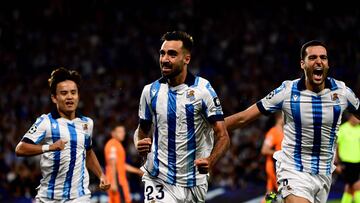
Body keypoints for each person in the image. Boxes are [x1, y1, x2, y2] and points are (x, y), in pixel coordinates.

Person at [225, 40, 360, 203]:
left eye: (323, 57)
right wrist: (210, 127)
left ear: (328, 63)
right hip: (294, 171)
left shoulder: (342, 92)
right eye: (313, 58)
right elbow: (244, 117)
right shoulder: (287, 91)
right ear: (302, 64)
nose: (319, 61)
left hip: (324, 174)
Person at [134, 31, 230, 203]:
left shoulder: (203, 90)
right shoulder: (150, 91)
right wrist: (139, 143)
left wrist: (210, 160)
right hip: (158, 178)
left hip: (194, 182)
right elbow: (141, 131)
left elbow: (223, 135)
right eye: (162, 53)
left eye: (172, 54)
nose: (164, 59)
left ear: (186, 59)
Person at [15, 67, 110, 202]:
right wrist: (49, 147)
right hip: (49, 197)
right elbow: (20, 149)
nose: (70, 97)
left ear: (78, 95)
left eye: (73, 92)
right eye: (64, 93)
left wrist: (101, 175)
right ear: (54, 98)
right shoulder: (45, 122)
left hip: (79, 196)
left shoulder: (87, 123)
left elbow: (88, 152)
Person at [104, 124, 144, 203]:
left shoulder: (118, 145)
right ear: (113, 133)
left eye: (123, 131)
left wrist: (138, 171)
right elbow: (113, 163)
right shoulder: (112, 145)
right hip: (117, 182)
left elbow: (121, 165)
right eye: (120, 132)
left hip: (120, 181)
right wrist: (114, 183)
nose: (123, 133)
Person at [335, 114, 360, 203]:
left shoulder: (359, 129)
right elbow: (335, 147)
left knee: (349, 187)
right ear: (351, 117)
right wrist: (336, 163)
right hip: (346, 163)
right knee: (357, 185)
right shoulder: (342, 129)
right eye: (357, 117)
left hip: (358, 162)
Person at [261, 112, 284, 203]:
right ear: (279, 118)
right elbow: (264, 150)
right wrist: (279, 154)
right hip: (274, 167)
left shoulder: (284, 131)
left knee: (270, 193)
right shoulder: (273, 132)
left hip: (279, 166)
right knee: (284, 191)